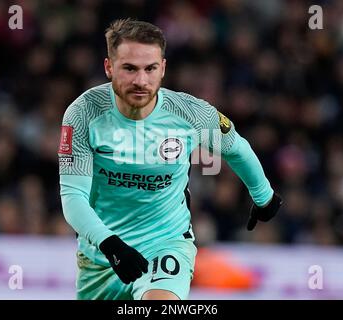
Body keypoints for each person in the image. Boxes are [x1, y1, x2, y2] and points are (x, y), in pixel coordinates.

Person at [58, 18, 282, 300]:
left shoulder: (188, 115)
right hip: (101, 257)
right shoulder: (84, 114)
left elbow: (235, 148)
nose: (141, 80)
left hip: (165, 244)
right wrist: (110, 245)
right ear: (109, 67)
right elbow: (72, 196)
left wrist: (264, 197)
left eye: (150, 69)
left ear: (162, 68)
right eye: (129, 69)